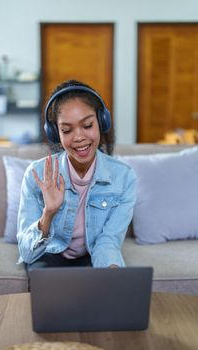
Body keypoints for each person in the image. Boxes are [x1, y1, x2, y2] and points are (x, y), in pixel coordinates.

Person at [17, 80, 136, 270]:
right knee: (51, 293)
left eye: (87, 125)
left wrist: (112, 271)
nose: (79, 137)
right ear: (56, 133)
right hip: (50, 254)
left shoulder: (124, 178)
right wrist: (49, 213)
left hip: (93, 254)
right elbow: (27, 252)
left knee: (107, 293)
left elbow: (107, 242)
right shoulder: (35, 175)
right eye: (67, 130)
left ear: (101, 121)